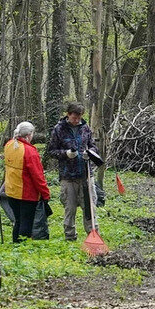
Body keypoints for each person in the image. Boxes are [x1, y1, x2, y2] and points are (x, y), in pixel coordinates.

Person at [48, 102, 99, 241]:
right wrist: (65, 153)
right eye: (74, 117)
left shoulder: (85, 128)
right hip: (67, 175)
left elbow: (93, 146)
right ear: (68, 114)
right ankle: (70, 236)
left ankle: (93, 234)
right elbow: (51, 151)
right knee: (70, 208)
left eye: (79, 117)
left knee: (89, 206)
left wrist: (90, 153)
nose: (76, 120)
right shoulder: (59, 129)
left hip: (86, 174)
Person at [4, 121, 51, 243]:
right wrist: (45, 194)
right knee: (26, 222)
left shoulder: (9, 145)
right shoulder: (29, 151)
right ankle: (22, 249)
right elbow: (38, 176)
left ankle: (16, 247)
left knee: (18, 221)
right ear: (29, 135)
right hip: (26, 194)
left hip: (10, 191)